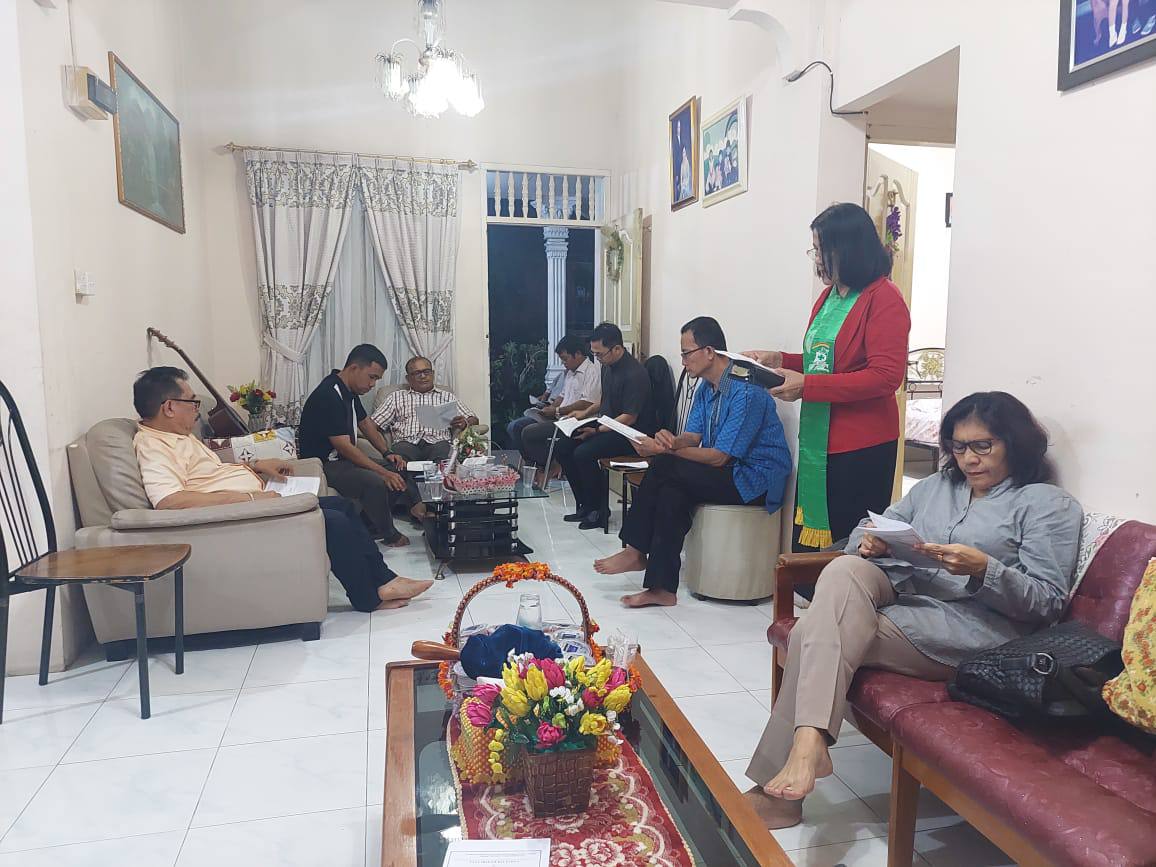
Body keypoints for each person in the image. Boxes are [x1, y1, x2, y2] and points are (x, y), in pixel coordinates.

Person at [742, 392, 1083, 830]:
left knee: (813, 634)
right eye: (959, 447)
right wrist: (871, 541)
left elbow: (1047, 600)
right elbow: (873, 525)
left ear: (1015, 442)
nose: (969, 459)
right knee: (845, 568)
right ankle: (809, 745)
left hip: (970, 627)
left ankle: (786, 781)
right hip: (905, 593)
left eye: (983, 446)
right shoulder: (938, 486)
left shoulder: (1046, 504)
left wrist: (985, 570)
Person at [131, 367, 432, 613]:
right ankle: (368, 597)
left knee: (343, 507)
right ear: (169, 407)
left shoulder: (179, 436)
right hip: (242, 515)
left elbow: (209, 474)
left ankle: (384, 580)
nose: (197, 410)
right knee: (332, 520)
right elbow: (170, 501)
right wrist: (251, 497)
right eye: (192, 402)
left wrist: (256, 465)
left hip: (257, 502)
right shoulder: (153, 445)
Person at [744, 202, 910, 552]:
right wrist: (780, 360)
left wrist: (807, 386)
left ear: (847, 250)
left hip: (860, 446)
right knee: (807, 551)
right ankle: (809, 589)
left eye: (821, 250)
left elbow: (885, 376)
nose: (816, 259)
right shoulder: (829, 297)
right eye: (815, 250)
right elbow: (824, 362)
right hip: (818, 441)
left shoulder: (883, 298)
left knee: (849, 546)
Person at [593, 317, 791, 608]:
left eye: (686, 353)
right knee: (672, 490)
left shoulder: (746, 392)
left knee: (665, 466)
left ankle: (635, 550)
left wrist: (664, 452)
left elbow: (720, 456)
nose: (683, 361)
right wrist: (669, 441)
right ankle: (662, 589)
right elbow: (693, 437)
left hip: (754, 480)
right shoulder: (706, 389)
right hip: (728, 472)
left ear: (709, 351)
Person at [297, 345, 422, 548]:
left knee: (400, 468)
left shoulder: (348, 390)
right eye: (372, 377)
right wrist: (383, 472)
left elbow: (366, 424)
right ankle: (389, 534)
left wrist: (387, 453)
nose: (373, 384)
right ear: (354, 368)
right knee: (375, 481)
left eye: (376, 379)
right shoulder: (329, 394)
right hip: (323, 463)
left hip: (341, 460)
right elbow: (344, 447)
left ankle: (367, 526)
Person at [554, 322, 656, 530]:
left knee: (584, 453)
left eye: (599, 354)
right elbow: (605, 400)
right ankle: (584, 504)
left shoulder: (635, 374)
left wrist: (597, 431)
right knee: (563, 446)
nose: (597, 358)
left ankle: (598, 511)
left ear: (617, 348)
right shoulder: (607, 367)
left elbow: (629, 417)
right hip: (609, 424)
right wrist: (584, 415)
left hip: (631, 435)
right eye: (594, 354)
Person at [514, 335, 601, 470]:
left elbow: (586, 402)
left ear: (578, 354)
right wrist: (550, 408)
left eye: (565, 359)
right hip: (559, 416)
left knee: (529, 432)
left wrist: (557, 410)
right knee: (516, 426)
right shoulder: (570, 372)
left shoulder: (592, 372)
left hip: (575, 421)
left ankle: (545, 467)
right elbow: (562, 396)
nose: (563, 363)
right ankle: (534, 465)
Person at [371, 356, 478, 463]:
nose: (423, 376)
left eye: (426, 372)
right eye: (417, 373)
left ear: (433, 374)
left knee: (444, 458)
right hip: (406, 443)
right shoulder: (396, 397)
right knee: (399, 460)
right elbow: (372, 424)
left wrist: (464, 422)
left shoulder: (447, 397)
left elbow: (473, 419)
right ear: (408, 378)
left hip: (438, 443)